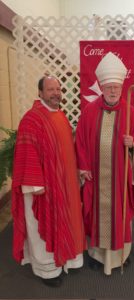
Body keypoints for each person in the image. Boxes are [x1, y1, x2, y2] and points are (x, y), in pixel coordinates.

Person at [12, 76, 86, 287]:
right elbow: (26, 151)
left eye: (58, 89)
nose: (56, 93)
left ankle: (66, 259)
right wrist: (35, 185)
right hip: (41, 189)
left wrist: (75, 173)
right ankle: (47, 270)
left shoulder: (60, 116)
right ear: (40, 93)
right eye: (50, 89)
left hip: (63, 184)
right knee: (40, 227)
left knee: (66, 221)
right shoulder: (31, 119)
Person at [75, 52, 134, 275]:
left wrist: (133, 143)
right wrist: (84, 166)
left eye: (116, 87)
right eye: (109, 87)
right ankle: (97, 255)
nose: (113, 91)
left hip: (119, 178)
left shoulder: (129, 113)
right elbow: (81, 142)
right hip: (96, 177)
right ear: (102, 88)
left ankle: (120, 255)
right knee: (96, 215)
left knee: (120, 216)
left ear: (121, 88)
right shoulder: (88, 111)